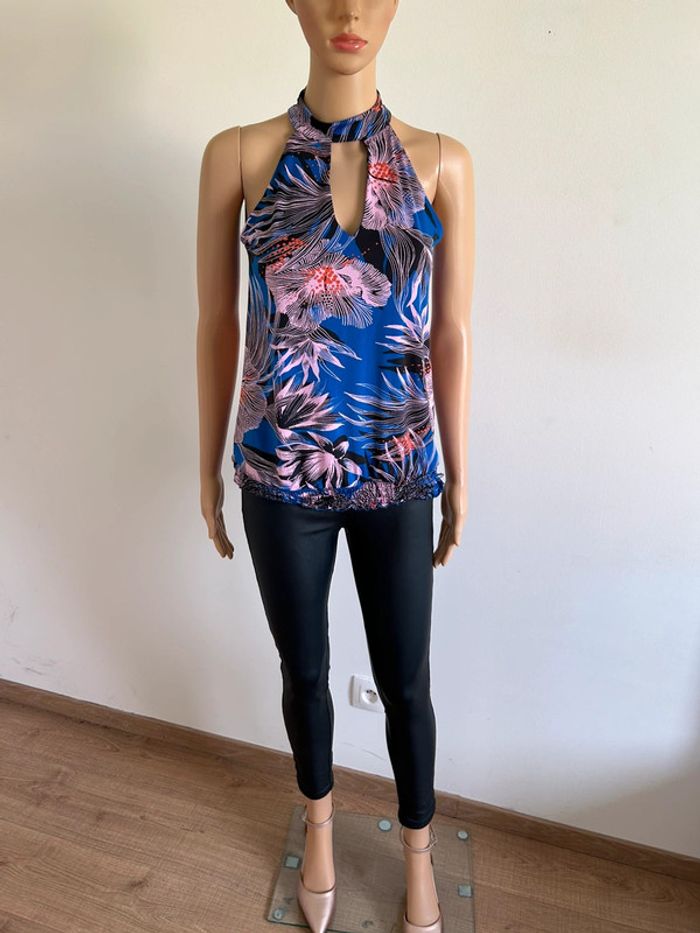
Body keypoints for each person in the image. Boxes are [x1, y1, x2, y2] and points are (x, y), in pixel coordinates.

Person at [196, 2, 474, 930]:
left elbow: (452, 335)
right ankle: (317, 830)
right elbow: (216, 324)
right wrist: (208, 465)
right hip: (281, 470)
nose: (349, 10)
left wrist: (460, 476)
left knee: (407, 681)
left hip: (399, 467)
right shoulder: (240, 155)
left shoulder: (442, 162)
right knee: (304, 670)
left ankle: (419, 853)